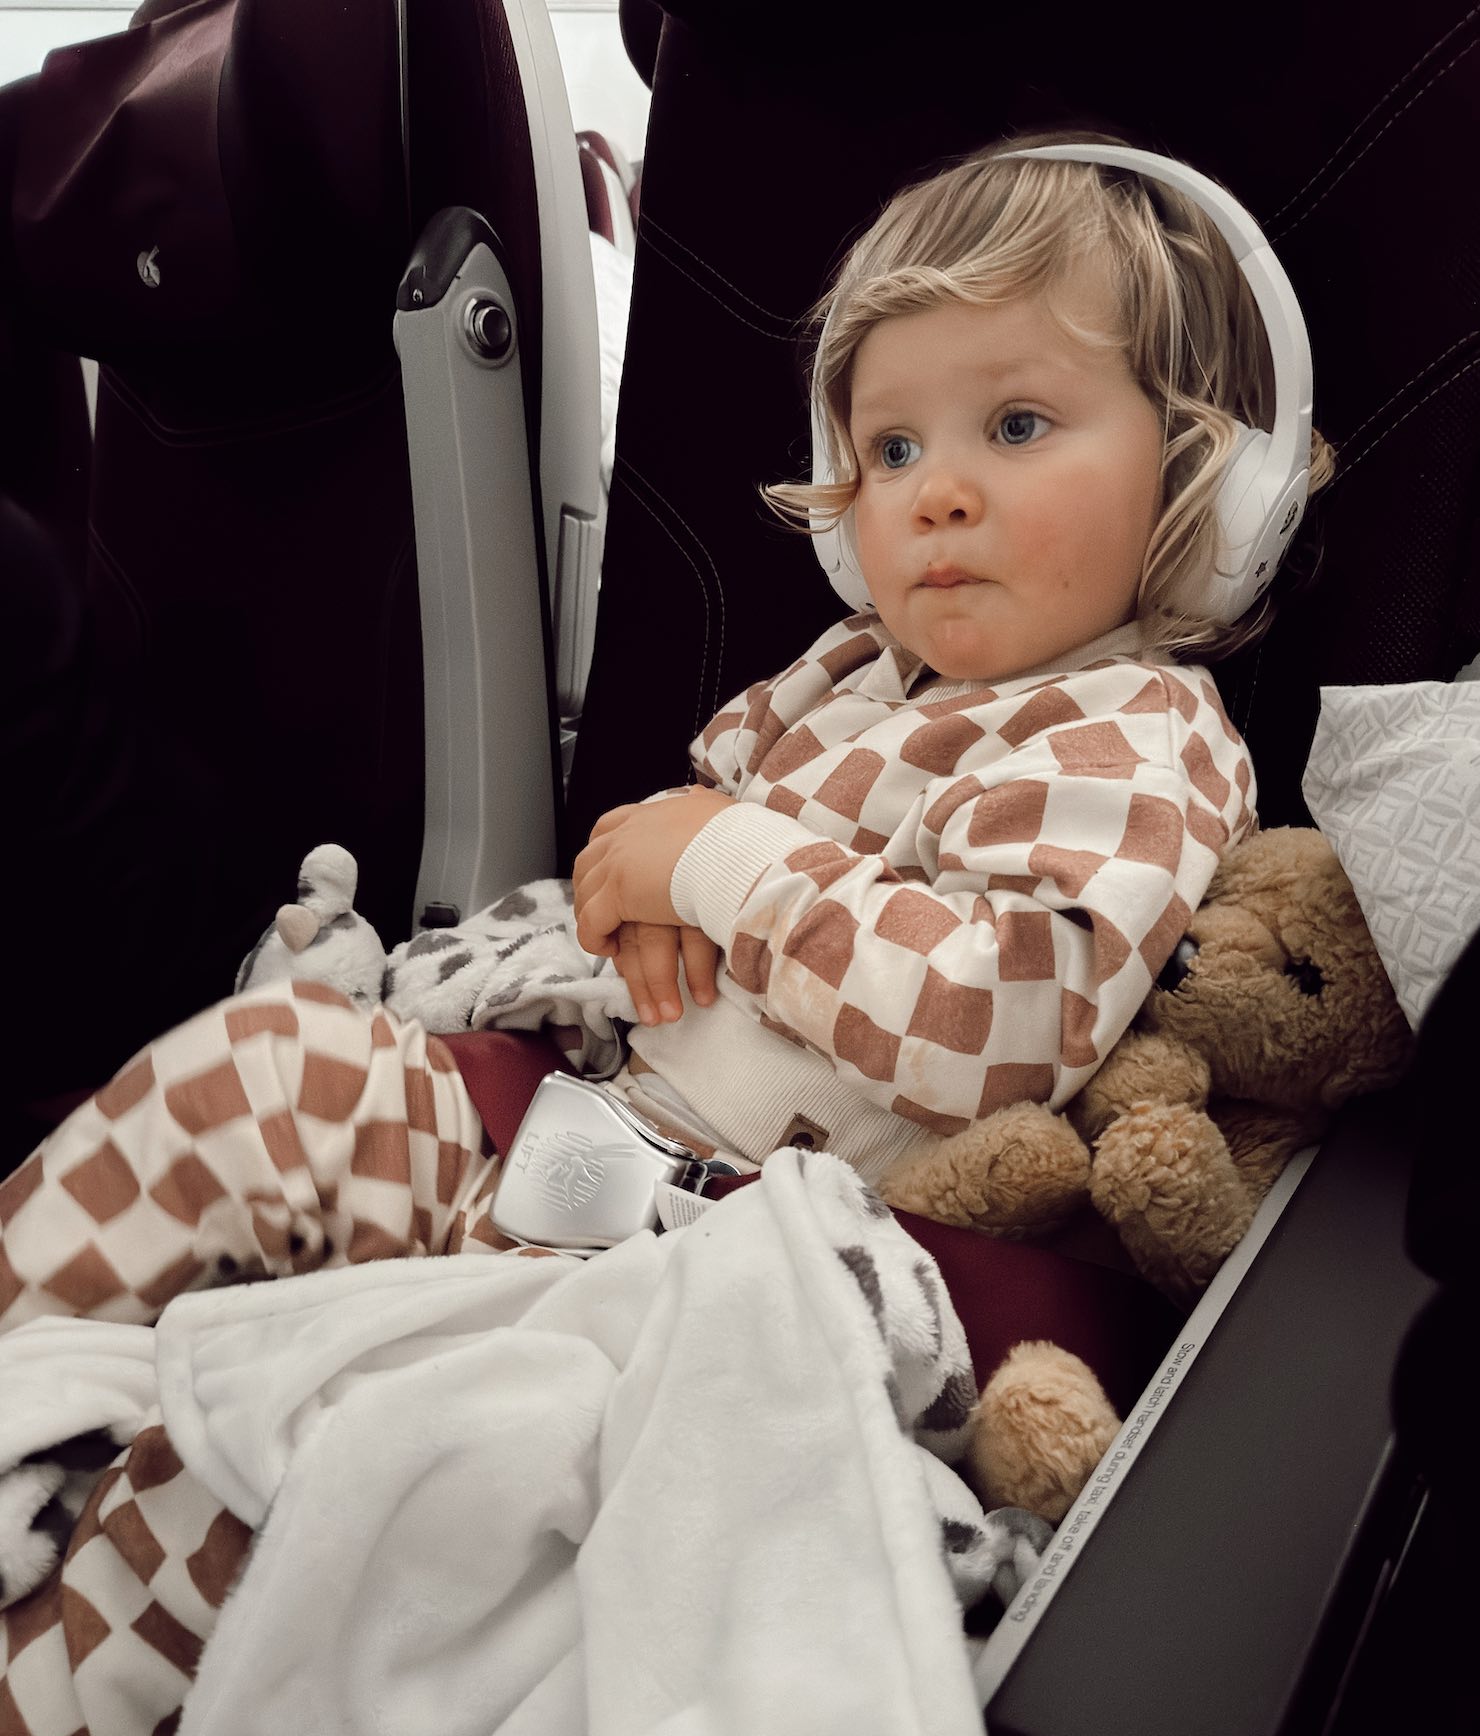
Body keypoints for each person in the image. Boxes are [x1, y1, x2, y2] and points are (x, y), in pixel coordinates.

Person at [0, 136, 1332, 1328]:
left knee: (279, 1269)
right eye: (892, 450)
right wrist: (646, 887)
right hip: (581, 1162)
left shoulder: (1139, 730)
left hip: (736, 1279)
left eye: (1018, 424)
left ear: (1214, 478)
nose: (937, 495)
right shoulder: (842, 674)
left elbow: (995, 1023)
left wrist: (719, 868)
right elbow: (644, 852)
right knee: (250, 1109)